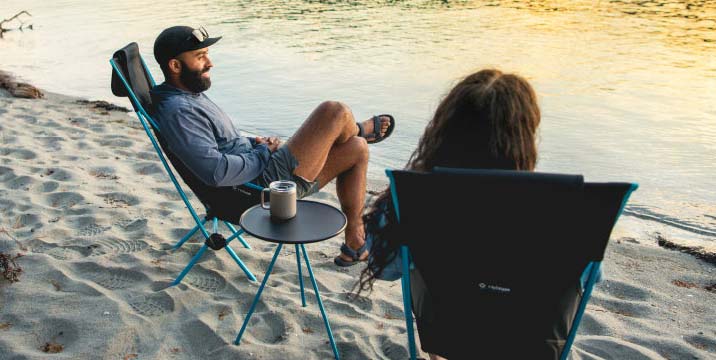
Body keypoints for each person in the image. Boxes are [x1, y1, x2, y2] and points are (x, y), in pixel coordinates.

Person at [148, 25, 395, 264]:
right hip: (262, 191)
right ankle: (359, 128)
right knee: (334, 112)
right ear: (175, 65)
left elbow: (218, 144)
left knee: (358, 148)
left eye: (207, 56)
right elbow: (215, 171)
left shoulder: (187, 94)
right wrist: (263, 152)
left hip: (259, 176)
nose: (210, 63)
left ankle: (355, 241)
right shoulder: (179, 111)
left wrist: (253, 142)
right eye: (200, 57)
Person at [356, 68, 541, 360]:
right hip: (525, 340)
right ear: (525, 135)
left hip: (446, 336)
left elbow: (385, 267)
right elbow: (587, 278)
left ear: (445, 127)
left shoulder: (414, 198)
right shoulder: (556, 207)